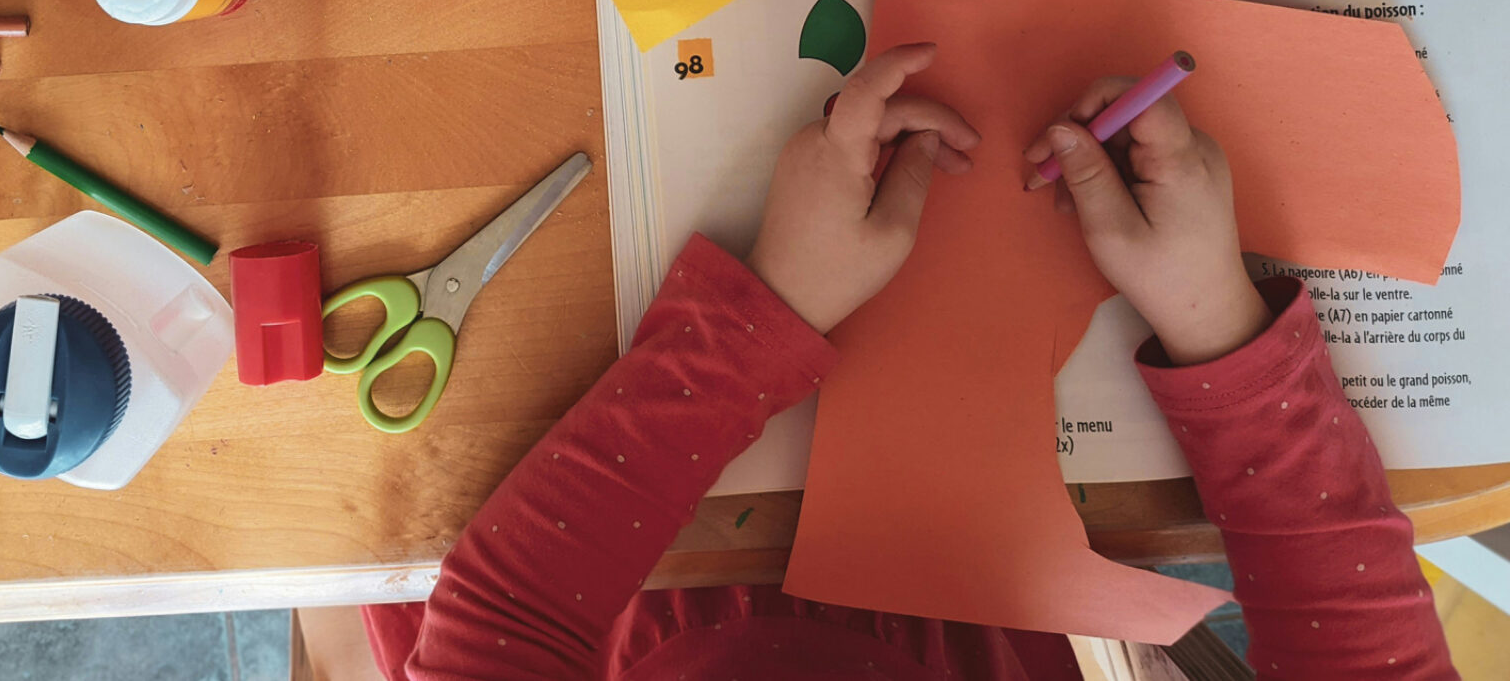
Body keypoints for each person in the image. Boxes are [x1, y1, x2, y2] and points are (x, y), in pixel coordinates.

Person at [361, 44, 1456, 679]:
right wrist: (1217, 325)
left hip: (639, 605)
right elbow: (1364, 643)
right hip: (974, 620)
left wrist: (762, 317)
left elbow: (506, 618)